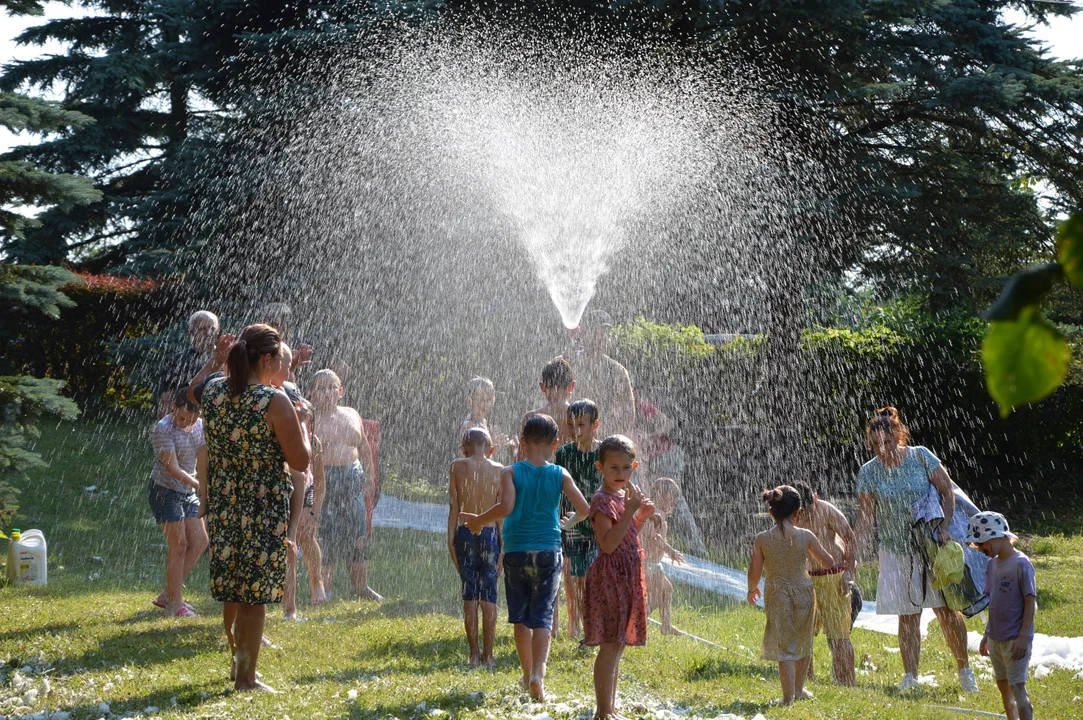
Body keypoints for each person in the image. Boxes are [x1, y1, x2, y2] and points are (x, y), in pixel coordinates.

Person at [192, 324, 309, 692]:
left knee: (235, 590)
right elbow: (301, 461)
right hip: (262, 507)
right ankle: (246, 679)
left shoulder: (212, 390)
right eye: (279, 358)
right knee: (254, 597)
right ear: (266, 359)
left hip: (226, 505)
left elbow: (192, 394)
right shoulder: (274, 402)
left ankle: (236, 663)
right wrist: (302, 423)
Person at [462, 414, 590, 702]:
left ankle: (526, 672)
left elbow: (505, 507)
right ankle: (538, 676)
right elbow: (584, 508)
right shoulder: (560, 473)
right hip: (548, 551)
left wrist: (479, 521)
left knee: (521, 619)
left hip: (518, 552)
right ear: (555, 443)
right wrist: (565, 524)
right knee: (543, 618)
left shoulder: (511, 471)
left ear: (522, 442)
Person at [855, 406, 979, 693]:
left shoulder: (921, 456)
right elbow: (865, 519)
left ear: (899, 435)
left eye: (887, 442)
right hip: (895, 550)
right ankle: (910, 676)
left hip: (931, 545)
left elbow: (947, 491)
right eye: (876, 445)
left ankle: (965, 672)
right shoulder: (868, 472)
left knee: (946, 610)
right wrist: (854, 556)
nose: (882, 449)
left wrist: (945, 526)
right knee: (907, 615)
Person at [582, 435, 654, 719]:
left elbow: (626, 535)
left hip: (627, 575)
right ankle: (602, 711)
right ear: (600, 467)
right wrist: (631, 511)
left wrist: (641, 518)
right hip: (610, 578)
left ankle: (609, 708)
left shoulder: (622, 497)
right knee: (610, 645)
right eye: (614, 468)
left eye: (626, 468)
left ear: (633, 466)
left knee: (618, 644)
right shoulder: (602, 501)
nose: (621, 474)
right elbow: (608, 544)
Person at [747, 485, 836, 706]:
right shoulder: (805, 536)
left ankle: (787, 698)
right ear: (797, 513)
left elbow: (754, 572)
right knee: (804, 642)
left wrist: (751, 589)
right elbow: (828, 561)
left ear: (771, 511)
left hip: (777, 594)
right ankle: (798, 689)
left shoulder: (762, 539)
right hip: (804, 592)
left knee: (784, 646)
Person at [309, 369, 380, 601]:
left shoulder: (351, 413)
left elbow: (363, 447)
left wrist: (370, 476)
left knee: (357, 533)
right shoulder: (310, 419)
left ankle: (361, 587)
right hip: (324, 480)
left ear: (341, 391)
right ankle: (324, 589)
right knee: (326, 535)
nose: (327, 392)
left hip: (352, 477)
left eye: (332, 387)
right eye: (321, 388)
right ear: (312, 394)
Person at [969, 512, 1036, 720]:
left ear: (996, 536)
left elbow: (1030, 602)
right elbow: (995, 603)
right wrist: (987, 634)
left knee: (1017, 687)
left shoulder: (1021, 564)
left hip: (1015, 638)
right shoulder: (991, 565)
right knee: (1003, 686)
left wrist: (1023, 637)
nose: (980, 549)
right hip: (996, 637)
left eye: (981, 544)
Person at [148, 390, 209, 618]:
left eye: (192, 420)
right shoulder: (163, 429)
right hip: (164, 491)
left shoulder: (199, 425)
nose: (186, 424)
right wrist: (199, 484)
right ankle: (175, 604)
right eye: (183, 418)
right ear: (175, 406)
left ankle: (167, 595)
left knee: (201, 541)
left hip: (187, 491)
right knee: (180, 545)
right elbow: (173, 468)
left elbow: (205, 454)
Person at [447, 428, 504, 667]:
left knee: (470, 594)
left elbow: (454, 506)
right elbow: (501, 513)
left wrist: (450, 540)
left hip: (466, 532)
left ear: (464, 448)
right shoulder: (500, 470)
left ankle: (473, 655)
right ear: (491, 449)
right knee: (489, 595)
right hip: (491, 534)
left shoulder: (457, 466)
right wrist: (503, 547)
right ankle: (489, 656)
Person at [274, 362, 327, 618]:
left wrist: (314, 512)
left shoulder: (313, 440)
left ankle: (317, 583)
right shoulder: (279, 430)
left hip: (305, 489)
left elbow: (320, 479)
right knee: (289, 546)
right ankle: (288, 607)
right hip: (284, 489)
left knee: (306, 537)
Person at [793, 481, 857, 686]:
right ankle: (806, 681)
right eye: (802, 512)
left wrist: (850, 573)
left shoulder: (827, 511)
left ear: (816, 498)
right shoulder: (790, 515)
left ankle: (845, 683)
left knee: (839, 636)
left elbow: (850, 538)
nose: (806, 515)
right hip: (805, 578)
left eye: (810, 508)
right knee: (802, 634)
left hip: (833, 576)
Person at [554, 399, 603, 641]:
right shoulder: (564, 454)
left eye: (581, 425)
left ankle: (591, 624)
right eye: (571, 425)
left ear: (596, 425)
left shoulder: (605, 454)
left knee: (591, 577)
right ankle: (574, 623)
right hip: (570, 522)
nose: (576, 431)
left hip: (597, 525)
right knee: (572, 576)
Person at [564, 310, 635, 438]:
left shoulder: (617, 370)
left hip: (604, 442)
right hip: (571, 438)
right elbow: (553, 403)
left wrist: (600, 434)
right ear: (584, 333)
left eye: (606, 333)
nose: (603, 337)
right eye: (596, 332)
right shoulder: (567, 365)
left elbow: (627, 414)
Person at [641, 477, 685, 635]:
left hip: (652, 564)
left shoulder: (653, 511)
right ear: (661, 497)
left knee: (666, 589)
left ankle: (666, 625)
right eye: (671, 500)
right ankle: (636, 623)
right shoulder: (657, 513)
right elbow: (654, 537)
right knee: (657, 598)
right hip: (649, 564)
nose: (673, 505)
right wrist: (670, 551)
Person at [159, 310, 218, 417]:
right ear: (191, 331)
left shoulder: (227, 358)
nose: (209, 333)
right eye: (202, 328)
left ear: (217, 331)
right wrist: (166, 428)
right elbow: (167, 399)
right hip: (189, 422)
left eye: (212, 328)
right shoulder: (179, 360)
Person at [521, 359, 576, 450]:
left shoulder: (530, 417)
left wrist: (513, 451)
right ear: (572, 386)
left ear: (542, 387)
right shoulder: (583, 418)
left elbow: (523, 459)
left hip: (539, 464)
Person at [459, 376, 514, 458]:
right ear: (469, 400)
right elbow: (475, 461)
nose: (483, 404)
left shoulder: (483, 422)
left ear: (493, 401)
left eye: (488, 399)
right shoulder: (469, 426)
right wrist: (494, 445)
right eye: (480, 399)